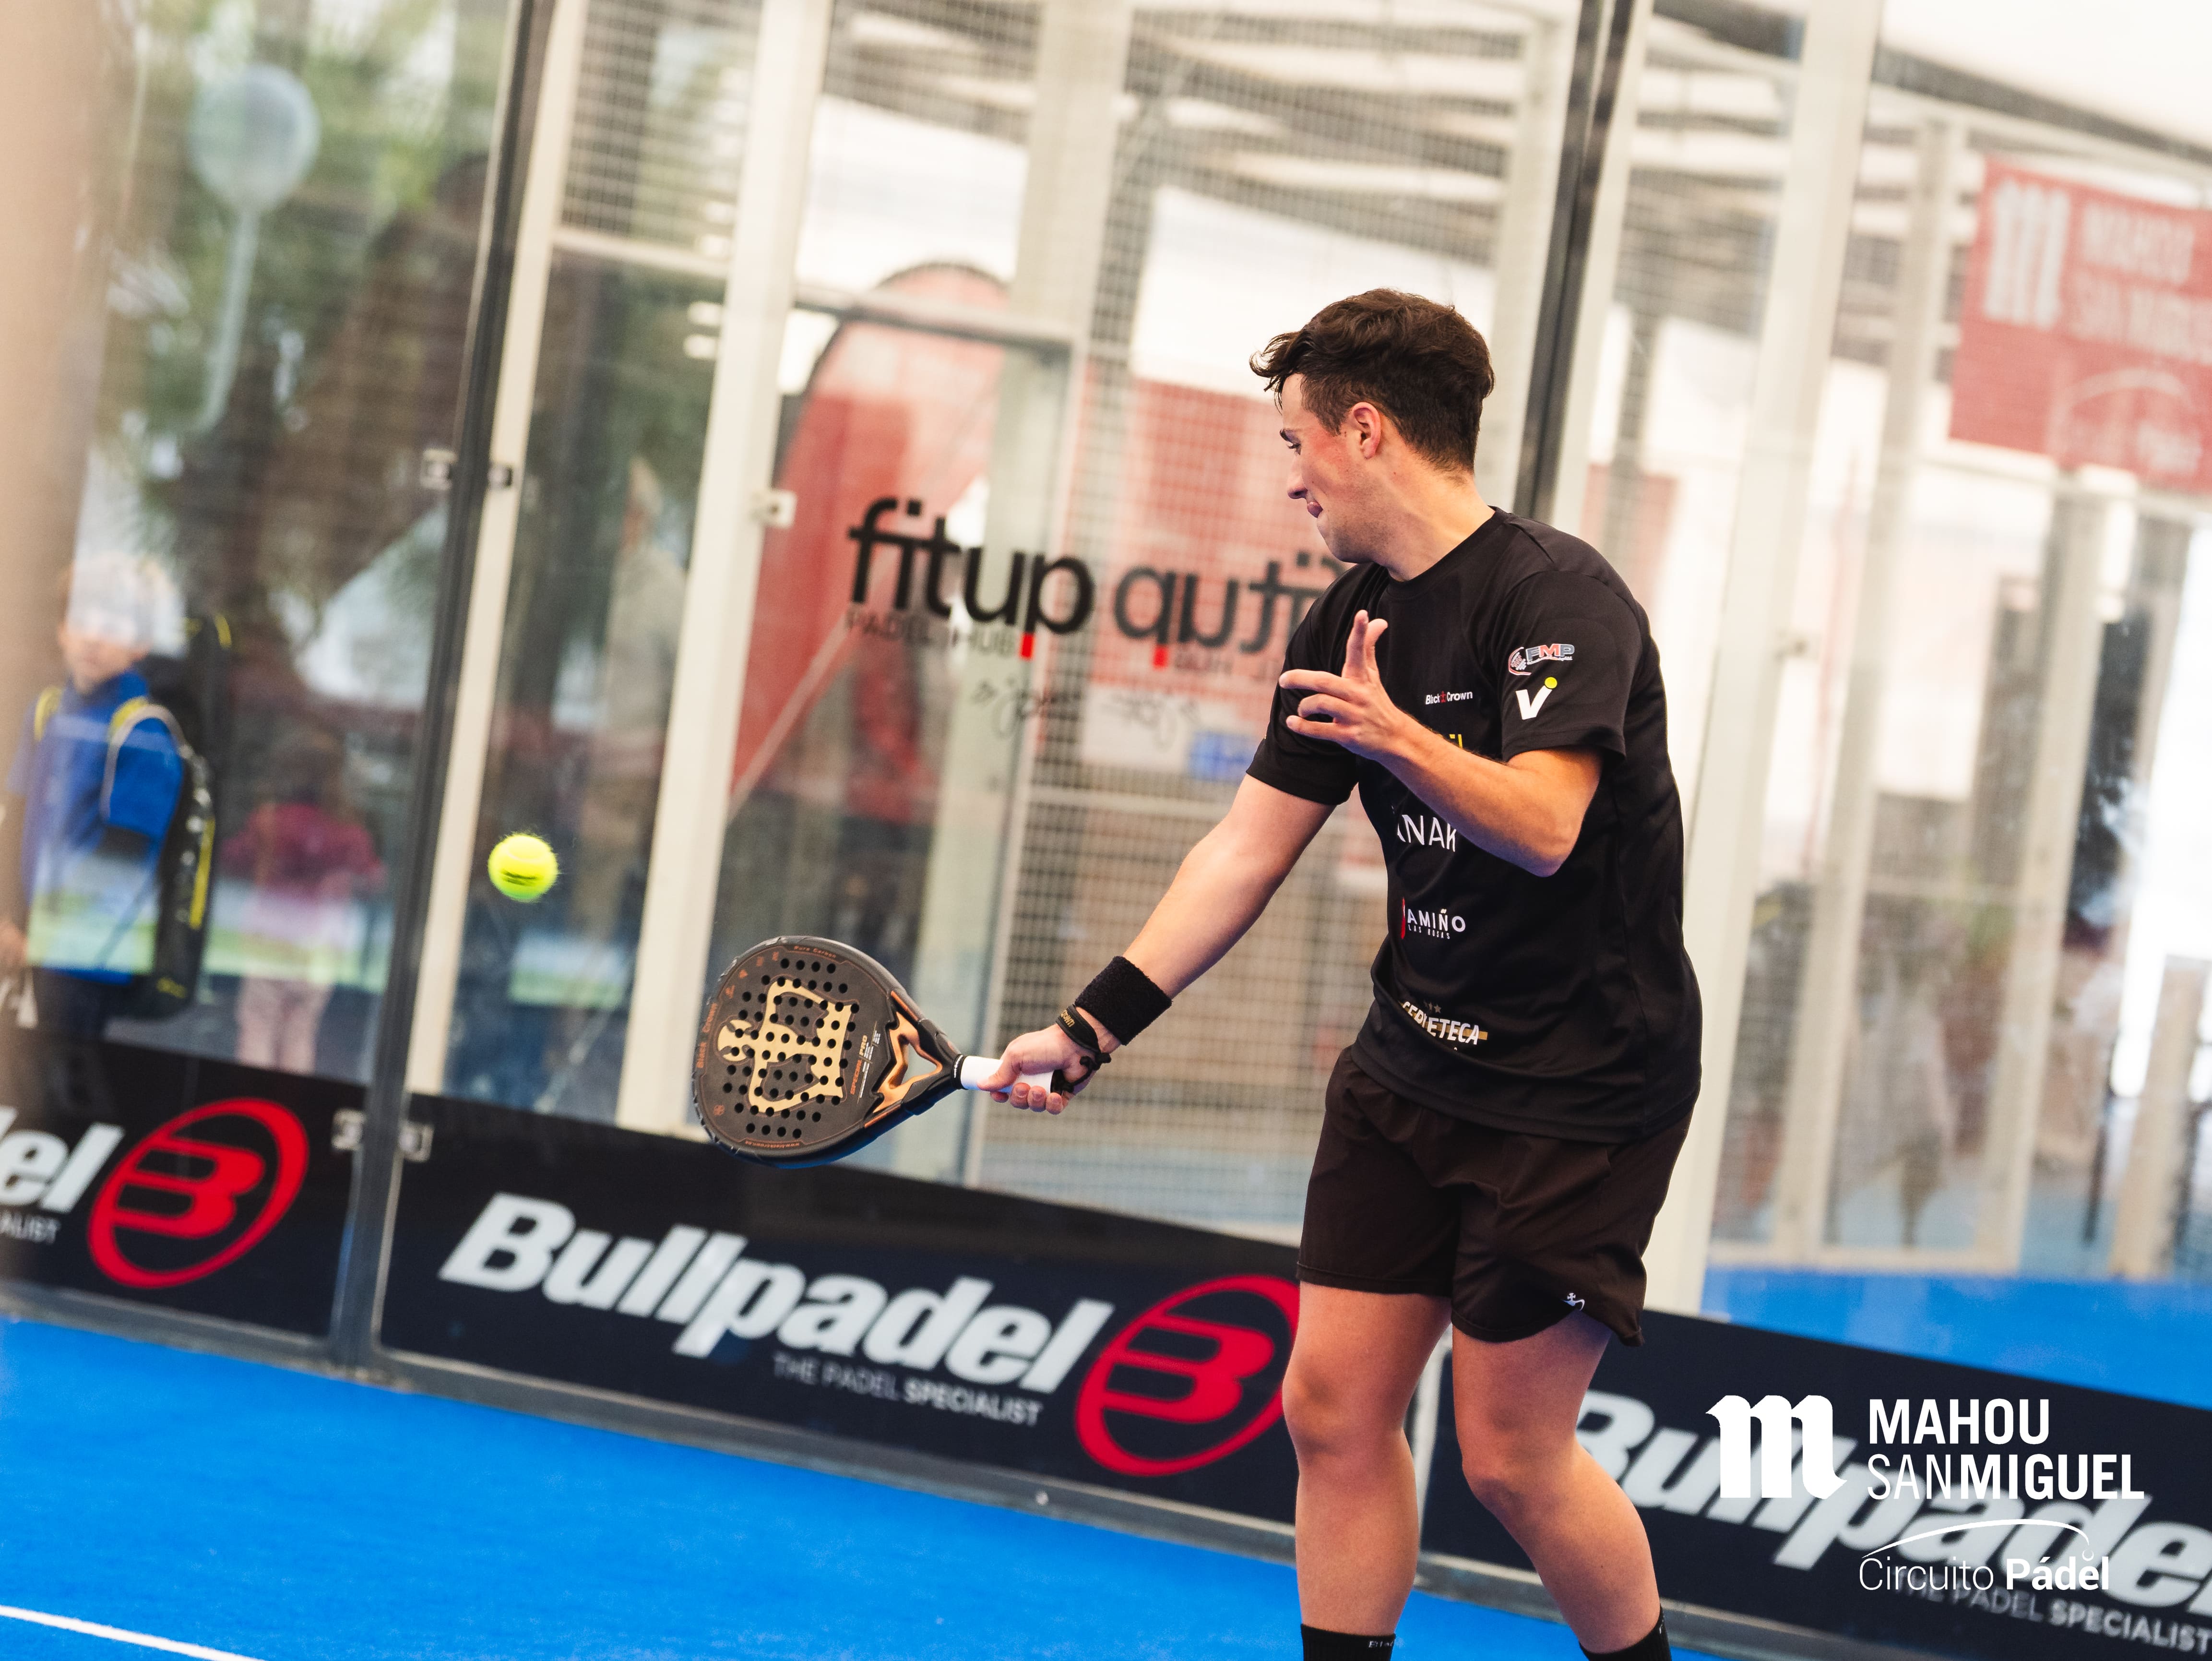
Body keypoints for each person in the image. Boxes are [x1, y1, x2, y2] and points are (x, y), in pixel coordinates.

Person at [983, 290, 1701, 1661]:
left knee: (1510, 1459)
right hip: (1410, 1061)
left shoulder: (1558, 599)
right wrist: (1088, 1026)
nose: (1291, 476)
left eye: (1296, 441)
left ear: (1363, 430)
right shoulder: (1343, 622)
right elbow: (1242, 851)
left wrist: (1398, 737)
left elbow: (1547, 827)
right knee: (1329, 1406)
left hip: (1580, 1090)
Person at [0, 552, 187, 1036]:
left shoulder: (143, 732)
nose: (94, 636)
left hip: (88, 957)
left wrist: (43, 935)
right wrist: (11, 920)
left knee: (62, 1068)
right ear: (62, 629)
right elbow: (15, 822)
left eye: (113, 624)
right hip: (26, 942)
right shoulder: (46, 712)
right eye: (82, 619)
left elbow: (120, 858)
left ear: (140, 643)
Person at [221, 728, 384, 1074]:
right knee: (301, 1031)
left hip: (269, 935)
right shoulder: (350, 831)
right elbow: (373, 879)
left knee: (259, 1023)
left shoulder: (269, 820)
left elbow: (234, 858)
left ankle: (251, 1096)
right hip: (321, 941)